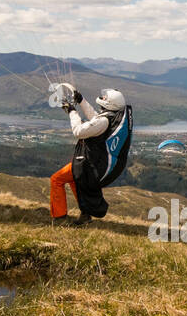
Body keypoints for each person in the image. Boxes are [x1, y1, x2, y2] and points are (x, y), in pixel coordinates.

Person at [49, 86, 132, 227]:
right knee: (76, 180)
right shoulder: (112, 118)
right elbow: (95, 117)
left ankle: (59, 217)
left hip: (90, 164)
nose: (103, 98)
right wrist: (81, 101)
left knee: (56, 179)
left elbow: (78, 131)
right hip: (95, 163)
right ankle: (85, 214)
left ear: (110, 104)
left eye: (106, 98)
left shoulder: (104, 121)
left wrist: (72, 111)